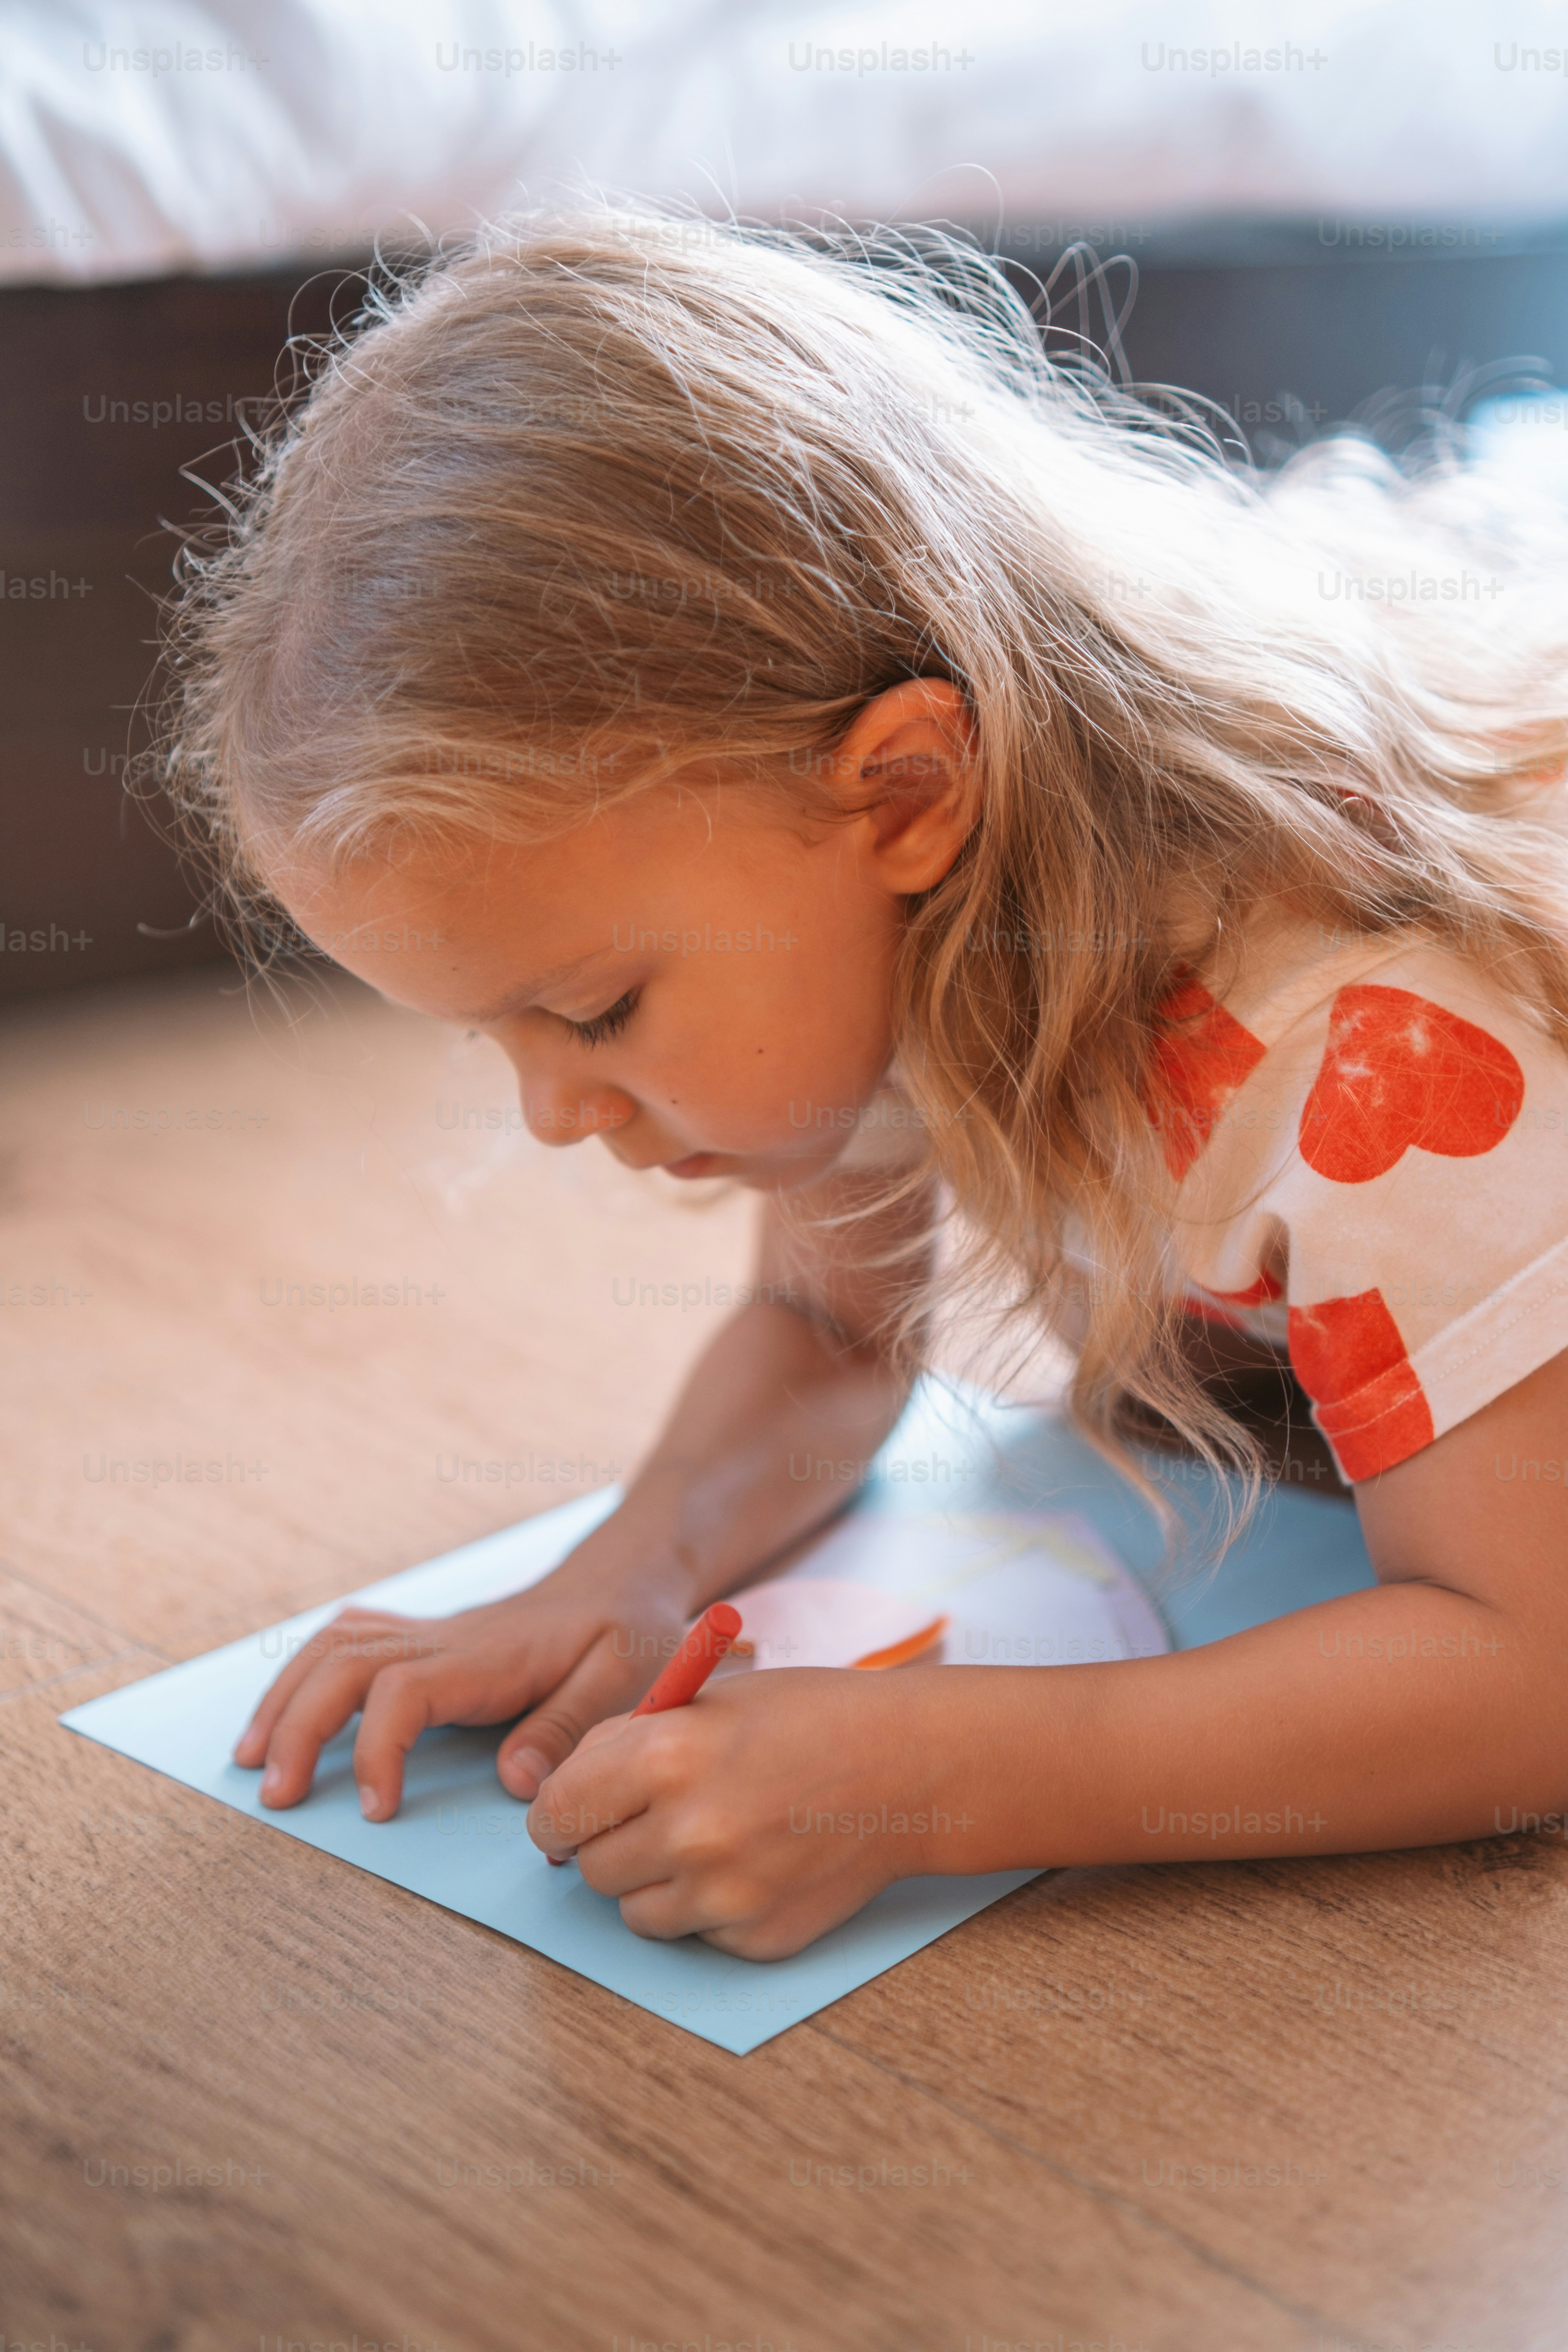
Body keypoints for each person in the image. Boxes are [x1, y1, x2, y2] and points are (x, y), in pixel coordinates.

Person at [165, 206, 1568, 1958]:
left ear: (905, 795)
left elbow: (1525, 1675)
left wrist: (928, 1775)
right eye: (493, 1036)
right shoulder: (895, 921)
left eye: (592, 1011)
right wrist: (625, 1576)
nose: (552, 1114)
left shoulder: (1362, 1050)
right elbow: (832, 1329)